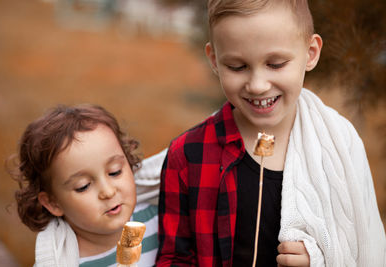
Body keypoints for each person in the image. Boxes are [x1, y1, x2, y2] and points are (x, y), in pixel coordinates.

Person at [156, 0, 386, 266]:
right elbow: (174, 258)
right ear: (215, 60)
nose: (257, 85)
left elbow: (362, 242)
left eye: (276, 64)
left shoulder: (339, 145)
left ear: (310, 53)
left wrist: (319, 259)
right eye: (237, 67)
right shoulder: (188, 154)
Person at [8, 104, 158, 266]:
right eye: (83, 186)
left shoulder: (160, 218)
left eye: (115, 172)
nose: (108, 192)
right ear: (53, 202)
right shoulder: (62, 261)